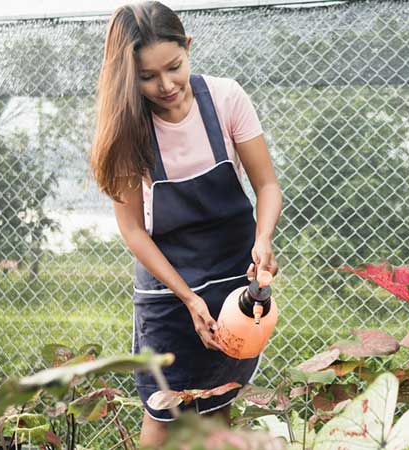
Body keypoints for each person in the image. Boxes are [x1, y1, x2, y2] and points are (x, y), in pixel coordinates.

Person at [88, 1, 282, 447]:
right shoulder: (127, 128)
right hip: (169, 295)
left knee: (218, 406)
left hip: (235, 286)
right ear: (126, 76)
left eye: (173, 67)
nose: (165, 85)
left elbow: (267, 186)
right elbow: (134, 232)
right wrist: (189, 299)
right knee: (165, 413)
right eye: (147, 77)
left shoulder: (225, 98)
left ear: (188, 47)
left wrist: (264, 238)